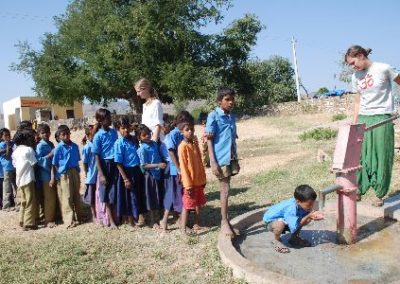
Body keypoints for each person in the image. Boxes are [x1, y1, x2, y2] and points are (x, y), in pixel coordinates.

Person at [345, 45, 400, 206]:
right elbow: (357, 102)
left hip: (382, 117)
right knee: (361, 156)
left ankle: (379, 193)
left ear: (361, 55)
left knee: (381, 155)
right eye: (350, 64)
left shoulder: (384, 68)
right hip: (364, 117)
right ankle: (359, 189)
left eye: (353, 62)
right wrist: (354, 125)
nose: (352, 66)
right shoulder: (355, 76)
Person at [206, 87, 240, 238]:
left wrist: (235, 157)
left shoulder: (231, 116)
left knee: (227, 188)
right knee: (224, 189)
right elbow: (209, 140)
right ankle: (224, 222)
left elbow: (232, 137)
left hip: (230, 156)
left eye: (232, 99)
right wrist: (213, 162)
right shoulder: (213, 116)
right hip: (220, 159)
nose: (231, 102)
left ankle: (226, 221)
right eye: (227, 99)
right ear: (219, 101)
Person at [263, 185, 324, 253]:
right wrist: (309, 216)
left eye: (312, 204)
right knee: (280, 225)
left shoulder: (302, 204)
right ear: (298, 201)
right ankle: (276, 241)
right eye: (309, 205)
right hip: (272, 222)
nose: (311, 206)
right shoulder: (291, 209)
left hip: (286, 220)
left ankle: (294, 238)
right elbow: (295, 226)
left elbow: (304, 217)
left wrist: (313, 215)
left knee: (307, 218)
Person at [160, 112, 194, 231]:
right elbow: (171, 152)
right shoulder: (174, 133)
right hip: (175, 168)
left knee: (177, 194)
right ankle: (165, 220)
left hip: (181, 168)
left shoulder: (181, 133)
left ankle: (178, 219)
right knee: (174, 194)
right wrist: (179, 170)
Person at [178, 121, 207, 235]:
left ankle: (197, 224)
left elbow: (200, 162)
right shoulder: (182, 147)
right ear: (181, 132)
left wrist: (203, 178)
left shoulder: (194, 144)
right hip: (190, 183)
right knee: (187, 205)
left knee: (198, 203)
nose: (190, 131)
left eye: (192, 129)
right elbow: (184, 168)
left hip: (198, 181)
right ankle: (183, 230)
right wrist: (188, 185)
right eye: (187, 130)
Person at [114, 117, 144, 226]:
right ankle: (130, 219)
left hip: (137, 170)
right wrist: (125, 179)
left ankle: (138, 215)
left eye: (127, 128)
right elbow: (118, 163)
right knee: (129, 196)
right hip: (127, 172)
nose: (125, 130)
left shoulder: (134, 139)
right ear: (118, 129)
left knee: (138, 194)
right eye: (122, 128)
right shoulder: (118, 143)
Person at [92, 108, 119, 229]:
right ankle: (111, 221)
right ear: (100, 120)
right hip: (105, 165)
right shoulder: (98, 136)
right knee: (106, 193)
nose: (110, 120)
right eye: (107, 118)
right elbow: (96, 156)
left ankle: (117, 217)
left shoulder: (113, 132)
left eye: (110, 118)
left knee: (114, 191)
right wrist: (102, 174)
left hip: (115, 164)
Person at [52, 125, 83, 228]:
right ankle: (69, 220)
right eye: (63, 134)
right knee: (67, 196)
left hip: (74, 171)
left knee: (76, 194)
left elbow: (78, 159)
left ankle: (80, 216)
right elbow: (55, 163)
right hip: (64, 173)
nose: (66, 136)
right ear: (59, 136)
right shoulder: (58, 148)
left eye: (67, 134)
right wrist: (60, 173)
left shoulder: (74, 146)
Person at [136, 124, 166, 229]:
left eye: (148, 134)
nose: (147, 136)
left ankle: (159, 218)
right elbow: (144, 165)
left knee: (158, 196)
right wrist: (158, 165)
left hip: (157, 174)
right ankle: (153, 221)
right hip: (150, 176)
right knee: (151, 198)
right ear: (139, 138)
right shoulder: (142, 149)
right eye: (144, 135)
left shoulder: (154, 144)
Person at [12, 129, 38, 230]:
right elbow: (34, 163)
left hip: (19, 179)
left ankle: (21, 219)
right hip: (28, 178)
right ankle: (29, 223)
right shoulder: (28, 150)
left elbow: (14, 165)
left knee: (23, 200)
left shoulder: (15, 152)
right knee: (30, 200)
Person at [35, 123, 57, 227]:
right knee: (49, 197)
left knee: (52, 196)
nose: (46, 134)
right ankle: (49, 220)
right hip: (45, 174)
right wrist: (49, 156)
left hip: (52, 172)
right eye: (43, 133)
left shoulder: (50, 143)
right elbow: (38, 160)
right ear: (39, 134)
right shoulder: (40, 146)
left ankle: (52, 215)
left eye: (47, 132)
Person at [82, 125, 98, 222]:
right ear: (88, 136)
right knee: (91, 196)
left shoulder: (97, 144)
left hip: (98, 174)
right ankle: (93, 214)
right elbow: (85, 162)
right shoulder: (87, 147)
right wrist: (87, 172)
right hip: (92, 174)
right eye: (92, 135)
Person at [0, 128, 17, 211]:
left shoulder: (12, 143)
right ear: (1, 137)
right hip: (7, 168)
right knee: (7, 187)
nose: (8, 137)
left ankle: (18, 203)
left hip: (14, 167)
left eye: (8, 135)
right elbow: (7, 155)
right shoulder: (2, 145)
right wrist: (7, 145)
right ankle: (6, 205)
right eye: (5, 135)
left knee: (16, 186)